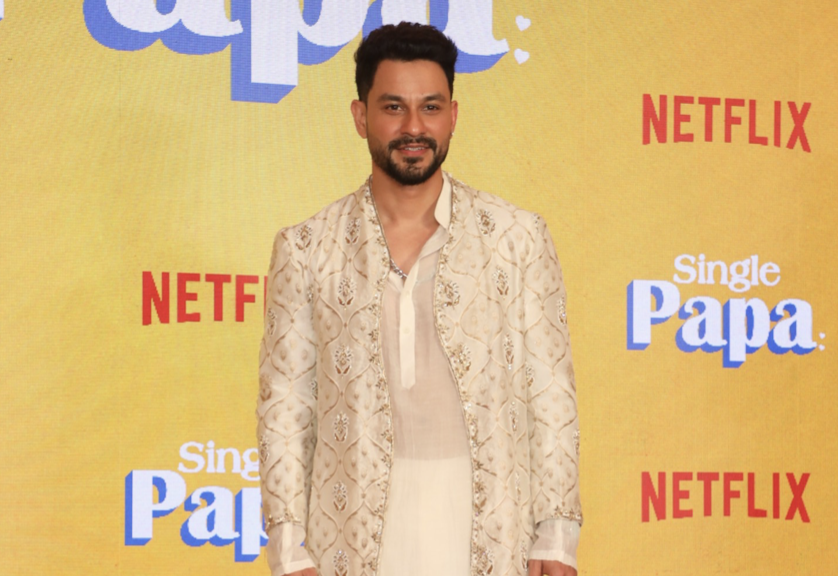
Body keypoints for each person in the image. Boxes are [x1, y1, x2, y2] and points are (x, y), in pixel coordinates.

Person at [257, 22, 581, 576]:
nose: (414, 127)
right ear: (360, 117)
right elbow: (285, 406)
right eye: (393, 108)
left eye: (430, 107)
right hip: (352, 538)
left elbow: (550, 393)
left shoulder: (516, 238)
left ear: (452, 115)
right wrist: (289, 551)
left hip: (491, 531)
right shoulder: (308, 248)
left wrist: (556, 537)